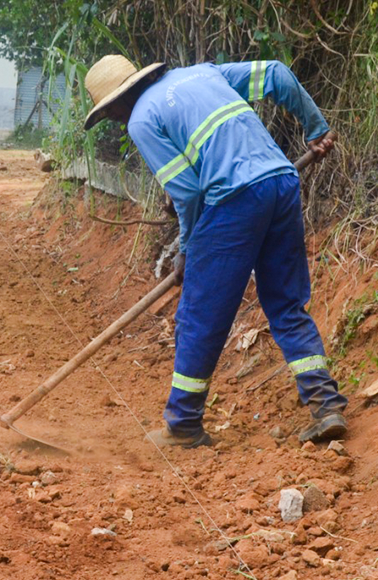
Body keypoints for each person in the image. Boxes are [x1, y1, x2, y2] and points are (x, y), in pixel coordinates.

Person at [83, 55, 345, 448]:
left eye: (109, 114)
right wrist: (316, 127)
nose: (115, 121)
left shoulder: (140, 120)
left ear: (118, 102)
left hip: (234, 200)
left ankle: (184, 424)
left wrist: (186, 248)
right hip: (281, 183)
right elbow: (275, 74)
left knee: (200, 315)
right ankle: (326, 406)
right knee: (287, 305)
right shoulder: (202, 73)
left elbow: (188, 192)